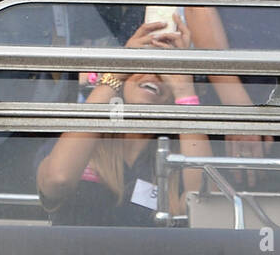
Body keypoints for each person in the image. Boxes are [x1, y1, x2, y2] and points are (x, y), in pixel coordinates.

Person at [35, 15, 210, 226]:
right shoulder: (81, 141)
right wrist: (114, 74)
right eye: (143, 63)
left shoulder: (178, 156)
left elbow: (204, 211)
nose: (153, 76)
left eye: (167, 70)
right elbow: (57, 180)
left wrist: (185, 91)